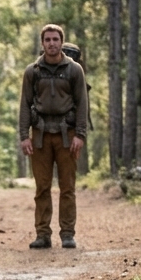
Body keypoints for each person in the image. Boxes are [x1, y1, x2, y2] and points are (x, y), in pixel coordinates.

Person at [18, 24, 88, 249]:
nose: (51, 43)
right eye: (47, 39)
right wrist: (24, 136)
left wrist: (80, 134)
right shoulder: (33, 71)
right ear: (42, 43)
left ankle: (67, 233)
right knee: (42, 188)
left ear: (61, 42)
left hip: (67, 136)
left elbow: (82, 104)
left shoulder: (74, 69)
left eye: (55, 39)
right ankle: (43, 234)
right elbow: (24, 105)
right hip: (39, 136)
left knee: (67, 187)